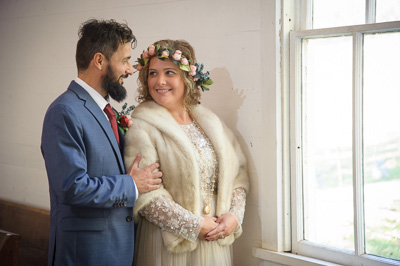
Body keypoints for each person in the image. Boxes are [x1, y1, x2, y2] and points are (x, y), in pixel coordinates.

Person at [41, 19, 163, 266]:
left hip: (116, 248)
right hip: (85, 254)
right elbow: (73, 187)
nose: (130, 70)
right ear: (99, 61)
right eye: (125, 60)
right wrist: (131, 184)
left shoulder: (106, 111)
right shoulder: (64, 112)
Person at [124, 39, 249, 266]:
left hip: (214, 239)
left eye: (169, 72)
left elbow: (237, 174)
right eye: (153, 73)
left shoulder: (210, 122)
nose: (160, 81)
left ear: (187, 76)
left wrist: (234, 217)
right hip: (169, 245)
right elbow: (148, 195)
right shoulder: (142, 125)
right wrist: (194, 225)